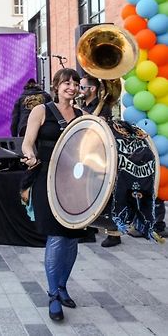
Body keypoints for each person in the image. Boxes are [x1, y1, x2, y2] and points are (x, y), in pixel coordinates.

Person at [21, 68, 85, 322]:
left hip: (75, 183)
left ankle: (62, 285)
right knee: (57, 235)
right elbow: (27, 142)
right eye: (66, 82)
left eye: (76, 83)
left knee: (72, 238)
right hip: (46, 180)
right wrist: (30, 154)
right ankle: (52, 295)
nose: (72, 86)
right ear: (56, 86)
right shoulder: (41, 110)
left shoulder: (83, 116)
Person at [78, 74, 117, 247]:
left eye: (81, 87)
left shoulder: (104, 107)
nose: (78, 90)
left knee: (105, 192)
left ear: (92, 89)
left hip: (100, 155)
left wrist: (81, 114)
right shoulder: (83, 104)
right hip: (85, 151)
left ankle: (114, 233)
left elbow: (101, 128)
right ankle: (90, 227)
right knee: (87, 190)